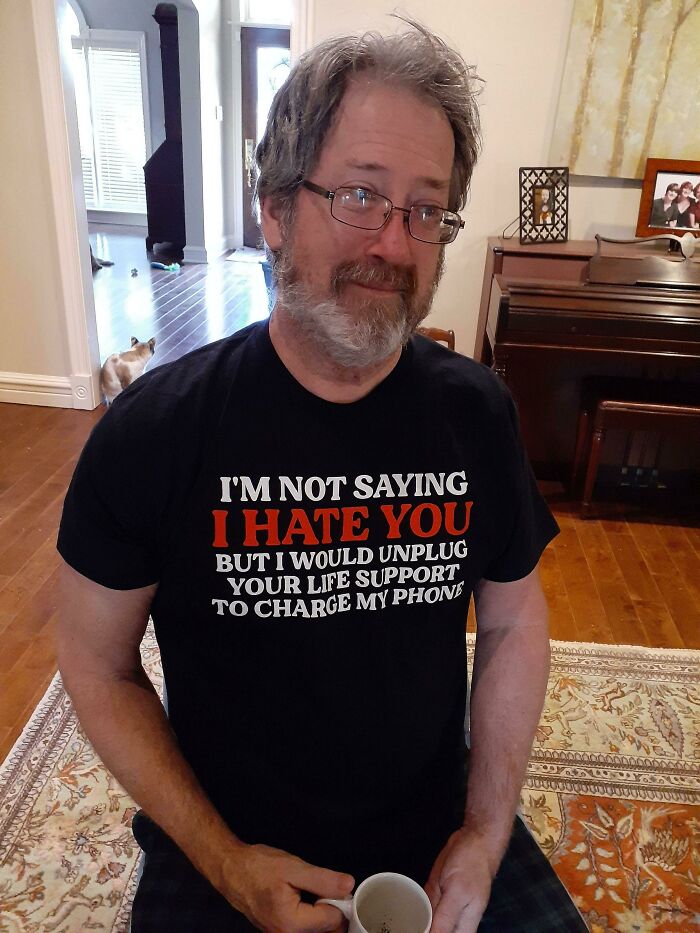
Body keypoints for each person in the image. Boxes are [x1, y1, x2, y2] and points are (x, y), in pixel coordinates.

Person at [56, 19, 587, 933]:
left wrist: (486, 830)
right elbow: (96, 664)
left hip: (437, 834)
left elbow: (511, 619)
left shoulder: (477, 414)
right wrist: (225, 861)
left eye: (426, 209)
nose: (395, 243)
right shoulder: (155, 432)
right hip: (225, 843)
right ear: (273, 208)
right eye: (360, 195)